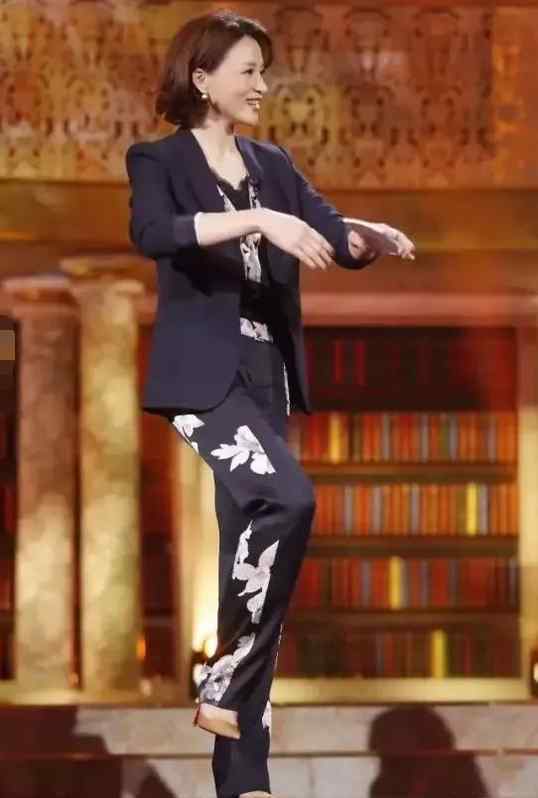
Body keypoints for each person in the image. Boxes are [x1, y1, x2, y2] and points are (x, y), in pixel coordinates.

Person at [125, 10, 415, 798]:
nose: (263, 85)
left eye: (263, 70)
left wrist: (365, 238)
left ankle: (242, 778)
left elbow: (327, 234)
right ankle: (225, 678)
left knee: (247, 564)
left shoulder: (273, 162)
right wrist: (258, 217)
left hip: (265, 377)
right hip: (202, 380)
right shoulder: (157, 158)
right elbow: (154, 233)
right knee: (289, 500)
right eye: (248, 70)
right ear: (202, 77)